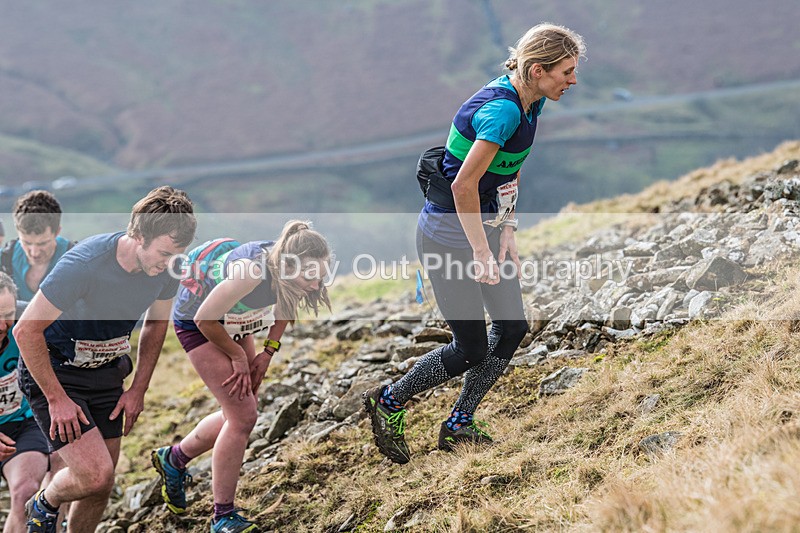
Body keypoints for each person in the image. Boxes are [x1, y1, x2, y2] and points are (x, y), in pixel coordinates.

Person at [363, 23, 587, 464]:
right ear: (538, 69)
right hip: (448, 239)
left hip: (484, 229)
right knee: (470, 348)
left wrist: (506, 229)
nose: (573, 80)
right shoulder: (502, 111)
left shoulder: (532, 99)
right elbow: (465, 186)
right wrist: (481, 254)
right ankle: (388, 401)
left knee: (513, 327)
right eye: (567, 71)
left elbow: (510, 167)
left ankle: (459, 422)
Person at [15, 186, 196, 533]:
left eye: (176, 255)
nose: (168, 263)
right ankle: (44, 502)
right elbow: (25, 332)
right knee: (94, 474)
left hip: (107, 373)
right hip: (57, 372)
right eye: (163, 253)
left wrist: (138, 389)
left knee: (101, 484)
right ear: (139, 235)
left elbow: (157, 325)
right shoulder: (84, 265)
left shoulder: (169, 267)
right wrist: (57, 399)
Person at [151, 220, 331, 533]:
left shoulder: (291, 271)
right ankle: (222, 517)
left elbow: (286, 305)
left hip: (236, 320)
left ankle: (175, 458)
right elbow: (204, 318)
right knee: (243, 416)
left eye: (320, 277)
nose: (315, 286)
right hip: (200, 322)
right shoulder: (251, 272)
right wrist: (237, 356)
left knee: (238, 410)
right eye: (309, 278)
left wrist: (268, 352)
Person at [0, 273, 58, 532]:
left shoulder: (28, 320)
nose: (3, 325)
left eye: (8, 313)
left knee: (25, 494)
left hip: (22, 424)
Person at [1, 191, 75, 303]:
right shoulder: (4, 259)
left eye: (42, 243)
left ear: (57, 232)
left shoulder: (77, 261)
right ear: (17, 232)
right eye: (27, 243)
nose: (34, 253)